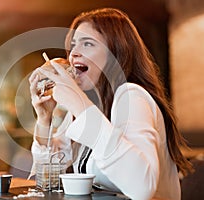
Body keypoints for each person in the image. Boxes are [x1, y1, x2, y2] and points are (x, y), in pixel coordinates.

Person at [28, 8, 193, 200]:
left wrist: (78, 102)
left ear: (116, 52)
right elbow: (48, 176)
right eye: (73, 45)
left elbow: (142, 188)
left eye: (87, 43)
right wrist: (44, 120)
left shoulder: (131, 95)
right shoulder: (92, 107)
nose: (73, 54)